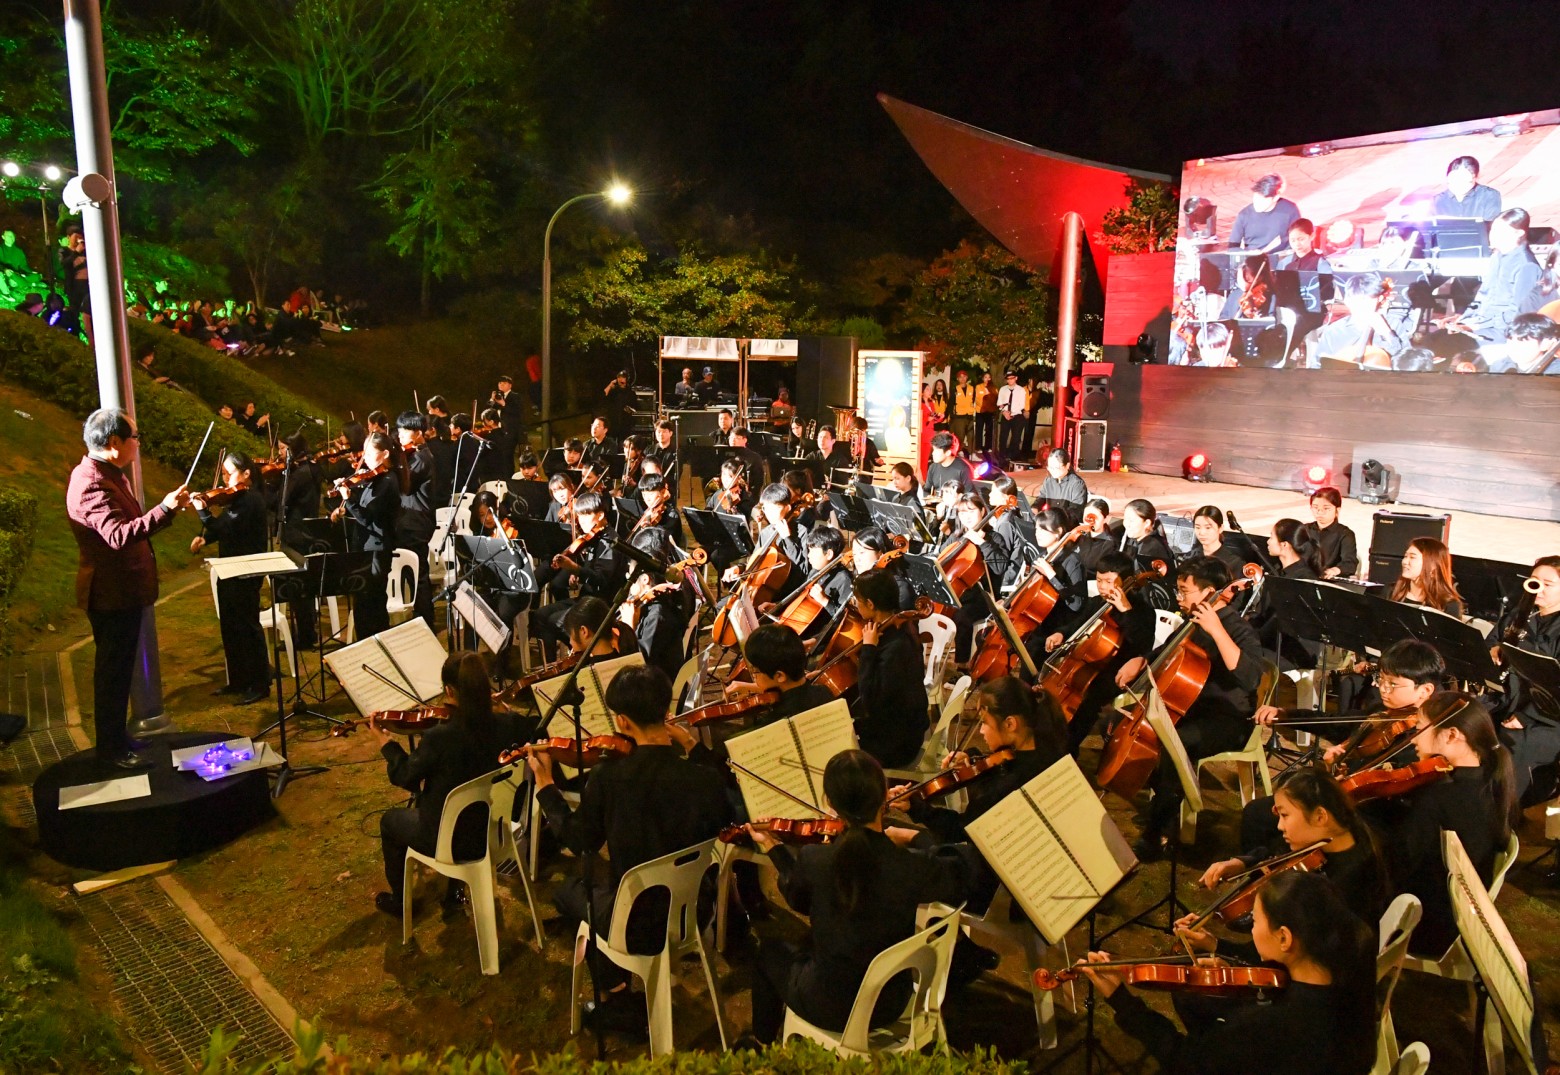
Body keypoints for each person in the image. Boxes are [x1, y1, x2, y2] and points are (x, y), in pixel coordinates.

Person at [528, 665, 732, 1020]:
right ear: (665, 713)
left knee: (569, 893)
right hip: (694, 914)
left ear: (622, 722)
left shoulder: (609, 777)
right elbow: (725, 814)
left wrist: (546, 785)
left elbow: (580, 841)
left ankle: (618, 998)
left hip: (636, 923)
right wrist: (690, 744)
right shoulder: (706, 779)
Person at [745, 749, 970, 1043]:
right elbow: (957, 867)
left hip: (830, 1006)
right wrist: (915, 836)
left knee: (769, 952)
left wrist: (774, 847)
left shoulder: (815, 859)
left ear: (830, 802)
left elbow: (799, 900)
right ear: (884, 796)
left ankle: (761, 1044)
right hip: (891, 1002)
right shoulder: (910, 864)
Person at [1080, 871, 1378, 1075]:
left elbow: (1184, 1060)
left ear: (1285, 938)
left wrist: (1121, 999)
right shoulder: (1349, 965)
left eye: (1255, 921)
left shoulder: (1267, 1025)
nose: (1252, 928)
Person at [66, 409, 190, 769]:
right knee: (113, 675)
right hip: (110, 594)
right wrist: (164, 509)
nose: (138, 444)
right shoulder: (92, 482)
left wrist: (165, 512)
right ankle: (111, 750)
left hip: (123, 591)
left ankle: (117, 739)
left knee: (119, 671)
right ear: (114, 442)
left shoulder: (108, 473)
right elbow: (119, 535)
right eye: (135, 437)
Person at [1134, 557, 1264, 859]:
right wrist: (1141, 660)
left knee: (1177, 743)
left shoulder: (1238, 628)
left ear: (1209, 593)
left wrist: (1217, 631)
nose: (1179, 598)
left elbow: (1250, 677)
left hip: (1230, 719)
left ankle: (1158, 831)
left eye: (1184, 591)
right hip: (1193, 709)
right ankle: (1164, 798)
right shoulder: (1192, 623)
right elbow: (1166, 653)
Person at [1372, 692, 1516, 955]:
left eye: (1419, 729)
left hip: (1422, 925)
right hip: (1456, 916)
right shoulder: (1489, 779)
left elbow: (1398, 863)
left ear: (1451, 735)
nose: (1413, 739)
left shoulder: (1439, 795)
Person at [372, 653, 508, 918]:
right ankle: (454, 892)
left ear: (449, 691)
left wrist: (386, 744)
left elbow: (406, 777)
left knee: (390, 821)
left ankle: (401, 902)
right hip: (494, 832)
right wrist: (505, 710)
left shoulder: (441, 737)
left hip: (451, 841)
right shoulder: (506, 725)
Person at [1198, 767, 1390, 929]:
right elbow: (1275, 852)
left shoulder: (1344, 886)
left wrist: (1216, 946)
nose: (1279, 826)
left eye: (1285, 815)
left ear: (1320, 816)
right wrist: (1240, 863)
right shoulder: (1327, 840)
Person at [190, 452, 271, 705]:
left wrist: (203, 513)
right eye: (223, 473)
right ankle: (238, 680)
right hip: (229, 568)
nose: (225, 479)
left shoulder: (251, 500)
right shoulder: (237, 499)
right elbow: (225, 527)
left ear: (246, 473)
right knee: (230, 625)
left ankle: (260, 684)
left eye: (229, 473)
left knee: (247, 625)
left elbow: (225, 527)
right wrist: (206, 539)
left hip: (246, 570)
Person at [852, 568, 929, 767]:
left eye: (858, 601)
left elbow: (870, 700)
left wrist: (868, 649)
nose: (855, 605)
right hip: (899, 725)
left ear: (871, 604)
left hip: (898, 742)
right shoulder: (901, 625)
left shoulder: (896, 646)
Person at [330, 432, 400, 637]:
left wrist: (349, 499)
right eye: (364, 453)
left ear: (385, 454)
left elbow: (368, 518)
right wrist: (346, 507)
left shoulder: (388, 481)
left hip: (377, 549)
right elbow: (363, 508)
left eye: (370, 454)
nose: (365, 458)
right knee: (363, 603)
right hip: (365, 547)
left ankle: (376, 643)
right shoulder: (374, 479)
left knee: (372, 603)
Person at [1442, 207, 1542, 345]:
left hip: (1503, 330)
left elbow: (1518, 312)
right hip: (1482, 322)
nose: (1492, 235)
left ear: (1519, 233)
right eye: (1492, 230)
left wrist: (1476, 326)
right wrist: (1463, 318)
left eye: (1500, 231)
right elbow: (1484, 294)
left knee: (1448, 344)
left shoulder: (1527, 266)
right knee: (1434, 339)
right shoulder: (1496, 257)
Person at [394, 412, 438, 626]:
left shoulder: (421, 457)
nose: (400, 435)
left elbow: (406, 486)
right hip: (412, 521)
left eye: (405, 430)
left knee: (418, 575)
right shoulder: (414, 455)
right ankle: (420, 618)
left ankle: (425, 621)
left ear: (418, 433)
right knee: (413, 573)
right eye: (399, 430)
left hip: (416, 522)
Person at [1314, 272, 1409, 364]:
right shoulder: (1333, 331)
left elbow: (1406, 363)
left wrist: (1387, 334)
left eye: (1368, 302)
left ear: (1379, 299)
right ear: (1347, 301)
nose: (1362, 308)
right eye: (1356, 302)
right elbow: (1318, 364)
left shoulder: (1393, 324)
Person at [1227, 173, 1302, 255]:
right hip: (1253, 259)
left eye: (1263, 200)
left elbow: (1299, 239)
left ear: (1275, 197)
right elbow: (1232, 247)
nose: (1257, 203)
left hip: (1281, 257)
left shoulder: (1290, 210)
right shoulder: (1244, 215)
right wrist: (1248, 253)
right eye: (1256, 198)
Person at [1389, 536, 1463, 618]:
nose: (1405, 562)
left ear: (1433, 565)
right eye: (1405, 556)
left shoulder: (1449, 605)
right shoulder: (1391, 591)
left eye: (1412, 557)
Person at [1299, 487, 1357, 579]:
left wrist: (1334, 570)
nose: (1320, 512)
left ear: (1337, 510)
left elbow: (1350, 563)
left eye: (1326, 508)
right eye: (1315, 507)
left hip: (1329, 580)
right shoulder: (1304, 529)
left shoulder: (1345, 534)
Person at [1191, 505, 1256, 579]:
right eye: (1197, 527)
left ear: (1220, 528)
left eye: (1208, 528)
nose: (1202, 532)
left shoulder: (1234, 563)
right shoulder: (1190, 557)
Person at [1486, 311, 1560, 374]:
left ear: (1545, 344)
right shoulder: (1499, 366)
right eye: (1510, 340)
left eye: (1523, 342)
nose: (1514, 348)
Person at [1432, 155, 1502, 221]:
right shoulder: (1438, 201)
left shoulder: (1489, 196)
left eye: (1465, 181)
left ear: (1475, 177)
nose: (1458, 185)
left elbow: (1490, 225)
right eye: (1453, 181)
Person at [1119, 498, 1176, 578]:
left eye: (1131, 520)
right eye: (1125, 519)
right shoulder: (1133, 540)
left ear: (1147, 523)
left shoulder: (1152, 548)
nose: (1126, 524)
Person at [1038, 448, 1089, 525]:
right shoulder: (1048, 481)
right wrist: (1034, 508)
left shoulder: (1077, 484)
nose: (1052, 471)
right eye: (1050, 468)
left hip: (1069, 524)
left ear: (1067, 465)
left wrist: (1055, 520)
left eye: (1056, 468)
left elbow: (1075, 511)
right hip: (1052, 523)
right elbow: (1040, 499)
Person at [996, 370, 1027, 459]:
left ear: (1016, 378)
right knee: (1003, 437)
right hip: (1005, 415)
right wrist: (1004, 412)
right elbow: (999, 403)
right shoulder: (1003, 389)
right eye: (1008, 379)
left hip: (1017, 416)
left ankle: (1013, 456)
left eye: (1011, 378)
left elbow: (1021, 405)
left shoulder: (1021, 390)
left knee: (1016, 438)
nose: (1010, 380)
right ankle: (1002, 457)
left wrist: (1011, 413)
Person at [602, 370, 636, 441]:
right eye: (619, 377)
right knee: (611, 440)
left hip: (625, 422)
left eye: (622, 377)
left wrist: (629, 409)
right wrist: (610, 384)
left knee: (623, 441)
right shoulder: (614, 391)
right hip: (613, 421)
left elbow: (634, 407)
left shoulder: (630, 392)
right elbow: (604, 395)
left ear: (626, 379)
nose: (620, 379)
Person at [950, 369, 976, 450]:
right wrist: (951, 416)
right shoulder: (955, 389)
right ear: (957, 379)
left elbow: (974, 400)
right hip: (959, 416)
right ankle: (959, 451)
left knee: (971, 436)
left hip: (969, 415)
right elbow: (951, 403)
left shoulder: (972, 388)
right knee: (960, 436)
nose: (962, 378)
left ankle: (971, 453)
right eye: (960, 377)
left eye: (964, 376)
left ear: (967, 377)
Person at [973, 371, 998, 452]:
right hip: (980, 411)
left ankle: (988, 446)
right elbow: (978, 399)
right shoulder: (978, 387)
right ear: (983, 378)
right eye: (985, 377)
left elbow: (995, 399)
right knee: (979, 429)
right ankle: (978, 447)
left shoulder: (994, 388)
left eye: (989, 377)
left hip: (990, 411)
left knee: (989, 429)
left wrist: (989, 396)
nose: (987, 379)